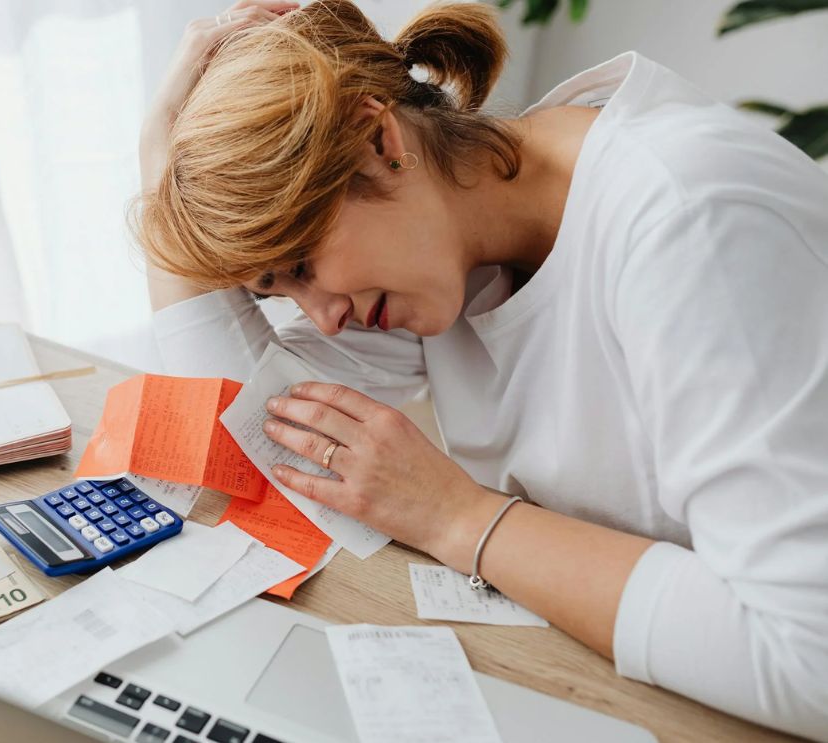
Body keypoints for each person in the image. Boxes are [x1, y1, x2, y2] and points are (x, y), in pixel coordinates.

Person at [135, 0, 828, 739]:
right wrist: (157, 174)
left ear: (377, 140)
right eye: (279, 291)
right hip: (616, 680)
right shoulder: (462, 233)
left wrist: (456, 516)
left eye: (303, 265)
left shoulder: (691, 220)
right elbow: (265, 437)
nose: (323, 315)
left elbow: (807, 658)